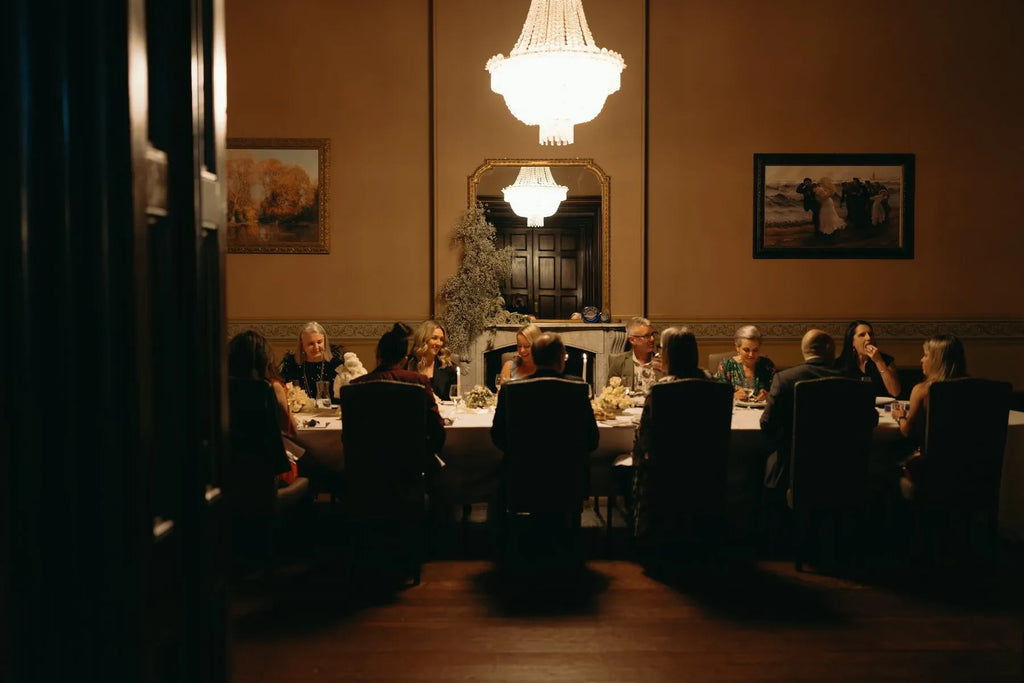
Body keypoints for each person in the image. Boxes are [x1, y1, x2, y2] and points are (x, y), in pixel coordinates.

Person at [629, 327, 710, 539]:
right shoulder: (712, 383)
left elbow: (644, 440)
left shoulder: (661, 390)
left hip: (665, 472)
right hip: (705, 469)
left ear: (669, 354)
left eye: (661, 348)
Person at [760, 330, 844, 492]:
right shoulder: (851, 380)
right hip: (842, 470)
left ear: (805, 350)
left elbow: (767, 424)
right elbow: (871, 419)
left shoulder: (784, 379)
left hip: (792, 470)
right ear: (828, 348)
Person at [351, 322, 445, 464]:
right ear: (404, 359)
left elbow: (352, 436)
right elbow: (437, 431)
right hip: (411, 466)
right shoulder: (418, 381)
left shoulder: (356, 385)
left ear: (378, 356)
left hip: (368, 467)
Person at [892, 335, 969, 499]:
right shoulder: (974, 390)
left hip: (931, 469)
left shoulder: (923, 390)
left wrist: (900, 416)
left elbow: (907, 431)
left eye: (926, 355)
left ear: (937, 360)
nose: (921, 359)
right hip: (969, 468)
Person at [228, 330, 297, 485]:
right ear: (263, 360)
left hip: (230, 474)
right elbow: (290, 431)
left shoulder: (222, 389)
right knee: (319, 465)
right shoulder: (265, 389)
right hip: (267, 473)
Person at [279, 321, 345, 402]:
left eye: (319, 342)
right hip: (300, 413)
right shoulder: (291, 364)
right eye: (311, 344)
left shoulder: (337, 363)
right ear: (302, 345)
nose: (316, 347)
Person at [835, 320, 901, 398]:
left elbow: (895, 392)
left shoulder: (886, 360)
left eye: (870, 334)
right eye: (862, 335)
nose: (868, 338)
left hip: (881, 408)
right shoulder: (840, 364)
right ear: (852, 341)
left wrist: (878, 361)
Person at [713, 325, 776, 402]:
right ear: (737, 347)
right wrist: (733, 395)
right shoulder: (727, 365)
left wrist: (768, 395)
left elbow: (778, 393)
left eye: (755, 350)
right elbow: (716, 394)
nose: (751, 355)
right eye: (746, 350)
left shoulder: (767, 365)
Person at [607, 316, 665, 393]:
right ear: (632, 340)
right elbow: (610, 394)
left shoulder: (662, 362)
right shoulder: (619, 362)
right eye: (646, 336)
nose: (652, 339)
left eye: (652, 334)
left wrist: (665, 372)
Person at [406, 320, 458, 399]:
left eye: (441, 339)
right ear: (423, 339)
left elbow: (452, 400)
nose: (438, 343)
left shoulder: (448, 368)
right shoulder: (406, 363)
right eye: (434, 338)